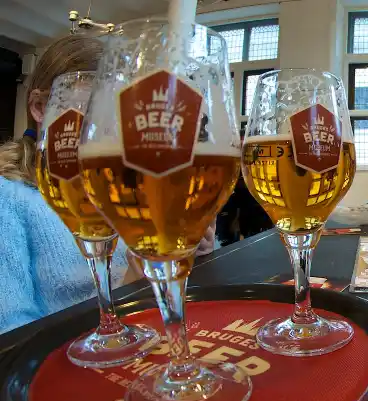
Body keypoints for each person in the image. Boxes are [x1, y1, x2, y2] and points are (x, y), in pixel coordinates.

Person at [0, 35, 216, 334]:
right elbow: (11, 333)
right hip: (77, 365)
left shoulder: (123, 181)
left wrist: (196, 247)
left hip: (156, 336)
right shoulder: (8, 196)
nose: (105, 130)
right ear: (39, 107)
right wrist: (129, 290)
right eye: (91, 111)